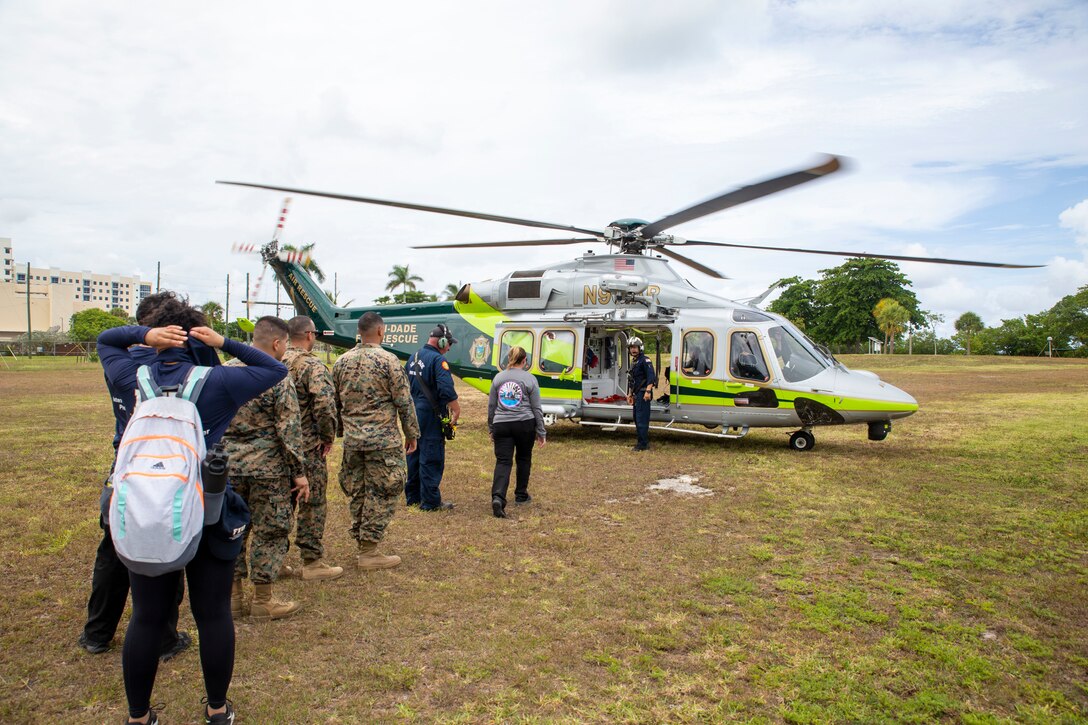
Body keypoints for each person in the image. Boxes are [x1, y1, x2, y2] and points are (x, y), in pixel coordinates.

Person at [98, 296, 288, 725]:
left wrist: (141, 336)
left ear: (158, 336)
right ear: (196, 336)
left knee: (146, 617)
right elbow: (275, 368)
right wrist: (225, 342)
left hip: (146, 507)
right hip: (206, 507)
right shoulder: (218, 381)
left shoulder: (130, 375)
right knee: (213, 613)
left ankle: (138, 716)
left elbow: (107, 341)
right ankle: (217, 709)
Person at [79, 292, 197, 660]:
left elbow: (108, 338)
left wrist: (141, 337)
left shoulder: (121, 362)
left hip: (125, 469)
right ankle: (163, 638)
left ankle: (98, 633)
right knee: (166, 551)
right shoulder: (185, 364)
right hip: (170, 471)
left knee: (112, 553)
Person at [221, 316, 311, 621]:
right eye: (285, 343)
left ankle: (232, 599)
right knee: (270, 531)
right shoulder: (276, 375)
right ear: (276, 343)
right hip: (268, 470)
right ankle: (262, 600)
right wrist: (299, 472)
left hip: (227, 468)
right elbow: (288, 428)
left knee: (232, 531)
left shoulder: (223, 372)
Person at [333, 312, 420, 569]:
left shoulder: (340, 362)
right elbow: (404, 401)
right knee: (383, 490)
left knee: (357, 490)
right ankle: (369, 550)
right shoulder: (389, 361)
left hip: (353, 441)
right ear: (381, 331)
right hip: (383, 441)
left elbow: (334, 404)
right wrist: (412, 433)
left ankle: (363, 543)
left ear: (359, 332)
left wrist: (340, 432)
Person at [281, 316, 342, 581]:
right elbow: (325, 405)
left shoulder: (273, 360)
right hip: (306, 447)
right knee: (312, 502)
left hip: (276, 448)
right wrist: (328, 436)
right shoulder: (312, 365)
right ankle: (312, 560)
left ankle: (276, 559)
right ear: (309, 335)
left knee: (279, 503)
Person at [404, 323, 461, 511]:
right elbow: (446, 389)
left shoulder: (413, 357)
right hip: (431, 414)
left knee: (414, 452)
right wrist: (456, 409)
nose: (449, 347)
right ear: (442, 341)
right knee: (431, 455)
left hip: (413, 412)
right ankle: (430, 502)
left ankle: (413, 497)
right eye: (449, 343)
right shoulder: (438, 361)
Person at [487, 346, 546, 518]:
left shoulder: (498, 378)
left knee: (503, 461)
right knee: (523, 458)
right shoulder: (530, 379)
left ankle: (498, 496)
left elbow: (491, 406)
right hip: (524, 423)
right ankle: (521, 495)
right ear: (524, 361)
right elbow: (536, 408)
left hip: (502, 424)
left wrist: (492, 427)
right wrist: (541, 431)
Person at [626, 336, 655, 452]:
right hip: (636, 394)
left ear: (640, 348)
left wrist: (648, 391)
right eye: (631, 347)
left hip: (644, 393)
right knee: (637, 419)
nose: (633, 350)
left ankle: (643, 444)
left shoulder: (645, 360)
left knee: (642, 419)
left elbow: (651, 377)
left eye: (635, 347)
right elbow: (632, 380)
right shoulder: (635, 362)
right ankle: (641, 441)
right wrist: (630, 394)